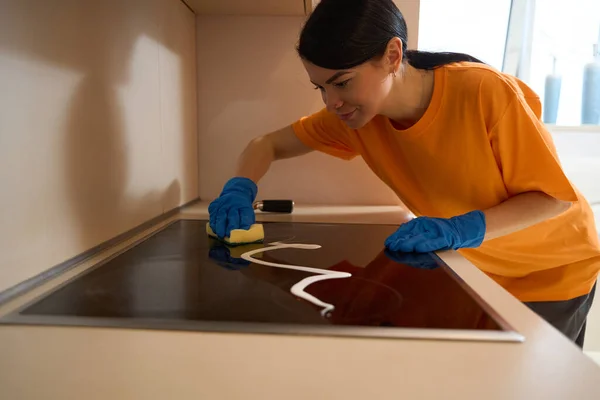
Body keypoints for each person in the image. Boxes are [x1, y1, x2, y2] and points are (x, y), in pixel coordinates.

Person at [208, 0, 599, 347]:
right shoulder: (355, 119)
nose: (333, 102)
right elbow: (266, 144)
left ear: (393, 55)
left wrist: (460, 229)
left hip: (553, 271)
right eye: (320, 88)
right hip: (482, 270)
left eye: (341, 83)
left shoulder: (484, 93)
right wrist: (239, 189)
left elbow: (552, 199)